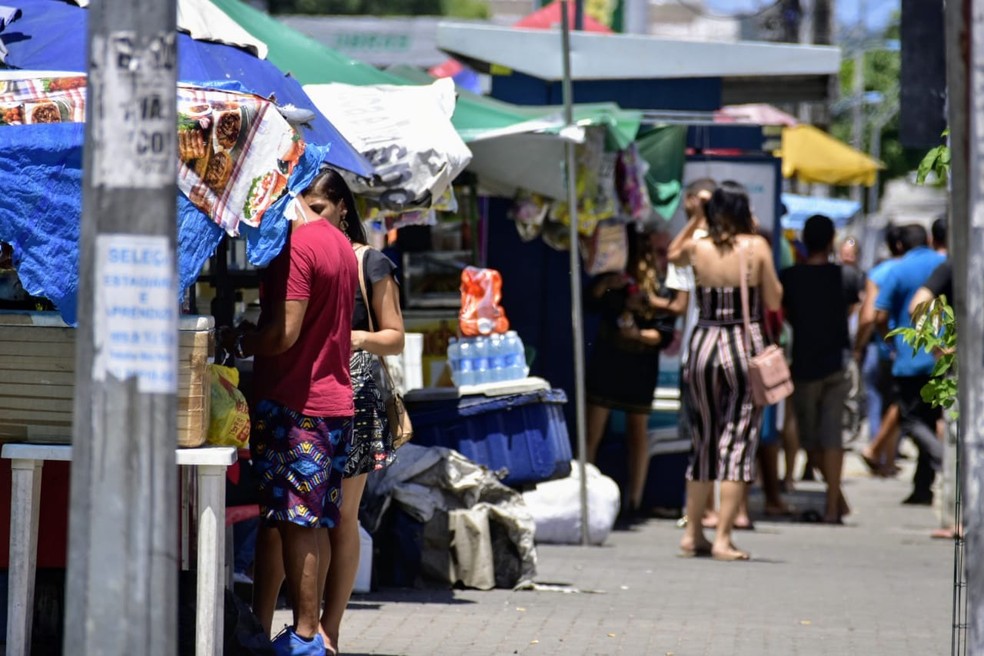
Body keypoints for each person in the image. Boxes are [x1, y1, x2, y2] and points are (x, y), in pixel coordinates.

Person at [221, 167, 358, 656]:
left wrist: (241, 339)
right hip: (334, 403)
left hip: (299, 405)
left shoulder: (298, 245)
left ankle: (304, 637)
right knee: (313, 520)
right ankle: (310, 633)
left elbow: (285, 333)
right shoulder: (340, 243)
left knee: (297, 522)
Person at [672, 181, 783, 560]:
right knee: (737, 442)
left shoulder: (697, 247)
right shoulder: (756, 248)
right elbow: (772, 299)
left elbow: (672, 255)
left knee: (702, 439)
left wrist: (698, 219)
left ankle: (692, 535)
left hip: (701, 345)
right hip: (741, 344)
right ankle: (722, 537)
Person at [585, 225, 682, 525]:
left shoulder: (664, 287)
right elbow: (593, 302)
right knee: (593, 432)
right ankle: (585, 497)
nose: (654, 258)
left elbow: (665, 333)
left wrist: (639, 332)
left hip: (639, 364)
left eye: (658, 252)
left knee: (637, 433)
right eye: (651, 250)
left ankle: (635, 500)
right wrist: (608, 286)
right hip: (610, 358)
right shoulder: (616, 275)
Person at [780, 215, 858, 524]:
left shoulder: (790, 277)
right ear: (831, 241)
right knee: (833, 436)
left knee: (810, 442)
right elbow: (854, 309)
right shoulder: (847, 277)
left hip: (803, 365)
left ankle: (834, 502)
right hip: (837, 363)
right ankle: (834, 504)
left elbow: (784, 315)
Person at [874, 223, 946, 505]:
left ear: (900, 245)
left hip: (909, 357)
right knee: (929, 416)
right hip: (942, 356)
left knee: (909, 417)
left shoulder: (898, 269)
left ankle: (941, 457)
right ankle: (921, 487)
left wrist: (889, 342)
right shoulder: (943, 265)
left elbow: (879, 314)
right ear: (928, 240)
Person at [854, 226, 904, 476]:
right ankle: (887, 458)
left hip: (879, 347)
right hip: (910, 350)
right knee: (897, 403)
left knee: (875, 400)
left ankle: (876, 451)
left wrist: (859, 346)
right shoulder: (920, 270)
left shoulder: (879, 272)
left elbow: (869, 316)